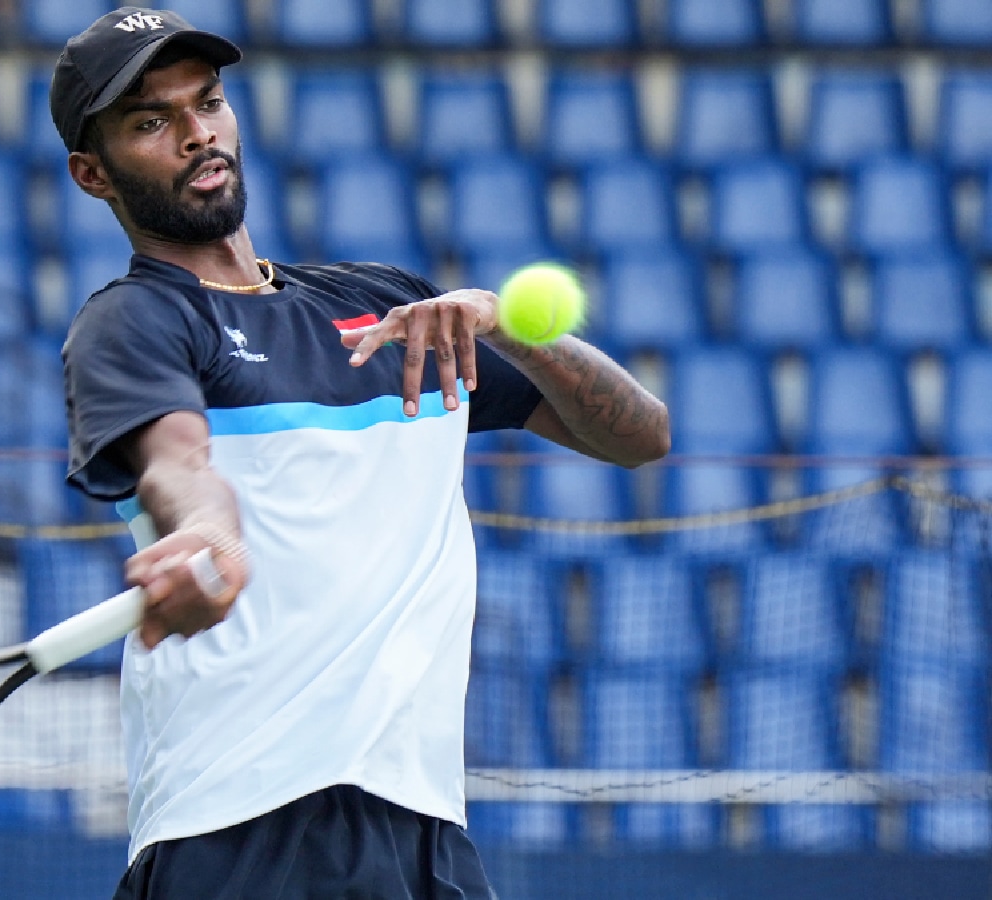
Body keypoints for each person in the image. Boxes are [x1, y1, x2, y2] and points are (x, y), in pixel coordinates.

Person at [51, 8, 670, 898]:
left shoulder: (387, 310)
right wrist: (202, 539)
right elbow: (179, 465)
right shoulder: (135, 320)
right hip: (239, 827)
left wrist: (511, 327)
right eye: (151, 121)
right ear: (92, 173)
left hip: (422, 826)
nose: (196, 134)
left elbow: (640, 437)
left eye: (209, 103)